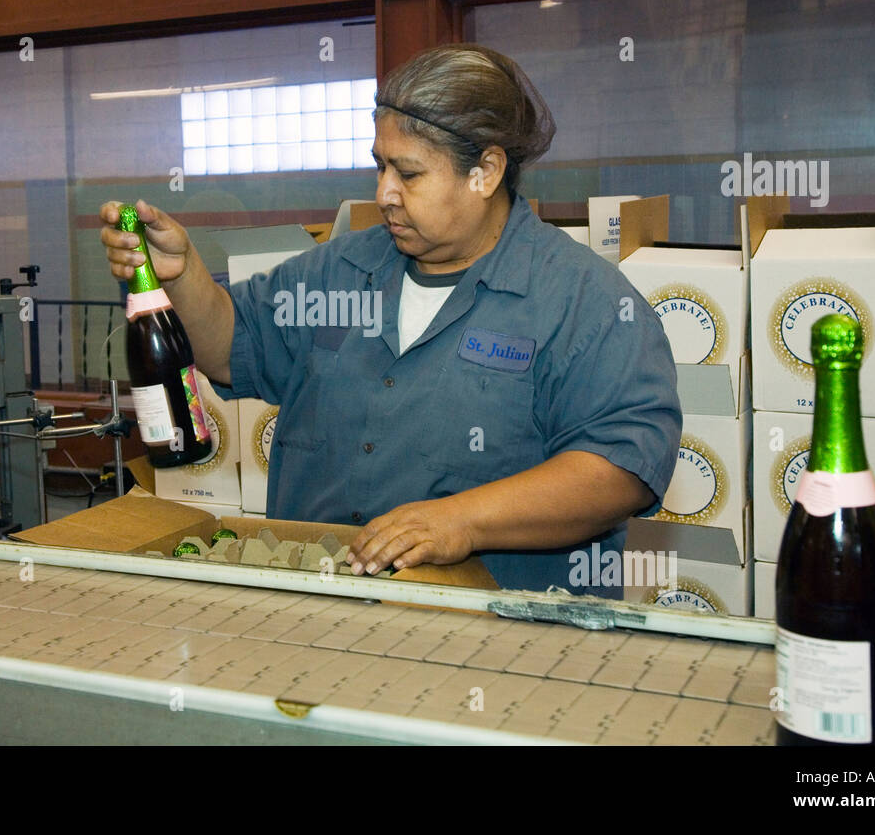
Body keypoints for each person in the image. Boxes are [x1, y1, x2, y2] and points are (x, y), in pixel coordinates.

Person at [101, 43, 681, 596]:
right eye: (380, 167)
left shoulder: (583, 301)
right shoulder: (337, 271)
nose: (384, 193)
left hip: (502, 639)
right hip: (328, 621)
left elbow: (620, 467)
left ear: (486, 170)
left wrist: (464, 521)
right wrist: (183, 277)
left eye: (409, 174)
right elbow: (232, 346)